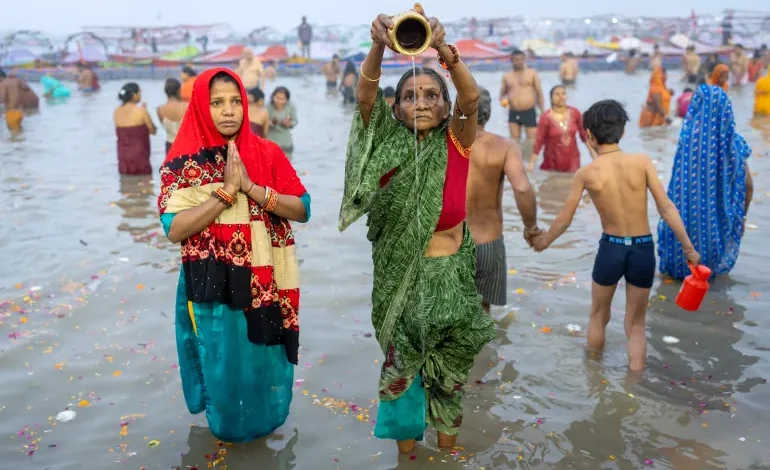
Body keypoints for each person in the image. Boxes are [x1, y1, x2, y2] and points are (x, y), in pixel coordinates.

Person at [338, 5, 494, 453]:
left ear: (444, 107)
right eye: (410, 96)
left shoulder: (457, 142)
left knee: (449, 386)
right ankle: (408, 462)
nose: (421, 102)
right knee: (400, 385)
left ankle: (446, 459)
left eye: (431, 95)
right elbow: (364, 97)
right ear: (397, 107)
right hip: (400, 293)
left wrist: (444, 48)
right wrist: (377, 44)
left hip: (454, 289)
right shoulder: (385, 145)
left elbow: (470, 98)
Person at [158, 68, 311, 443]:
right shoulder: (182, 164)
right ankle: (228, 436)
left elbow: (303, 208)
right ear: (200, 108)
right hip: (210, 281)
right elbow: (174, 228)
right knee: (222, 364)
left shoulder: (267, 152)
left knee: (262, 359)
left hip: (264, 280)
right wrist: (225, 193)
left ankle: (262, 436)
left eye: (235, 101)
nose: (229, 111)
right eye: (216, 102)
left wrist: (252, 188)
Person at [531, 99, 700, 371]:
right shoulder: (642, 162)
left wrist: (543, 241)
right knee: (636, 324)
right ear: (622, 131)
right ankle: (635, 383)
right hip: (643, 248)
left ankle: (594, 378)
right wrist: (689, 249)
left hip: (611, 249)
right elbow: (666, 208)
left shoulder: (586, 173)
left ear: (589, 135)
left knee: (598, 316)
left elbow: (564, 219)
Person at [658, 85, 752, 280]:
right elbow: (748, 186)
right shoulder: (735, 145)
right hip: (717, 228)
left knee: (674, 283)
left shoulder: (688, 142)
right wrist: (741, 218)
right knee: (709, 281)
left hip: (681, 228)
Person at [466, 87, 539, 312]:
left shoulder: (443, 143)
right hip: (489, 243)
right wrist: (531, 228)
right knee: (482, 315)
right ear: (488, 113)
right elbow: (522, 189)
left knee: (448, 314)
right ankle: (484, 349)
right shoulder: (505, 146)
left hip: (451, 244)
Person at [528, 85, 588, 173]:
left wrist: (593, 154)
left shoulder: (575, 113)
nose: (561, 97)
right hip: (553, 160)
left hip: (573, 160)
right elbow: (539, 141)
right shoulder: (545, 117)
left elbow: (584, 135)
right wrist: (532, 163)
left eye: (563, 94)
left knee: (572, 182)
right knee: (553, 183)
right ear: (551, 98)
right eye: (557, 94)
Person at [500, 49, 544, 146]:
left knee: (531, 142)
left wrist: (542, 112)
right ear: (511, 60)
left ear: (524, 59)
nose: (518, 62)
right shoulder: (507, 76)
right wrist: (503, 102)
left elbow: (539, 93)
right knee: (514, 142)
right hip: (513, 112)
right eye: (516, 59)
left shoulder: (532, 73)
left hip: (529, 111)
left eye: (521, 59)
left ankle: (530, 161)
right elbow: (502, 94)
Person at [114, 83, 156, 175]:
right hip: (140, 156)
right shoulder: (141, 111)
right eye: (139, 93)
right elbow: (153, 130)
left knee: (126, 184)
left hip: (123, 156)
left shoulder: (116, 111)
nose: (141, 95)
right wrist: (145, 111)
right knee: (145, 184)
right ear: (134, 95)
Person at [157, 78, 187, 155]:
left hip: (170, 146)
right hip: (186, 146)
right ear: (179, 90)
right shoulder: (187, 106)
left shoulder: (160, 109)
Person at [267, 87, 297, 159]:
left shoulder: (290, 107)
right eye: (277, 98)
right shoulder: (268, 107)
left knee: (285, 166)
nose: (279, 101)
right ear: (273, 97)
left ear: (286, 99)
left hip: (285, 142)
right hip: (271, 141)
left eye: (282, 99)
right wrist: (271, 122)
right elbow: (263, 123)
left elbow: (295, 121)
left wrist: (288, 123)